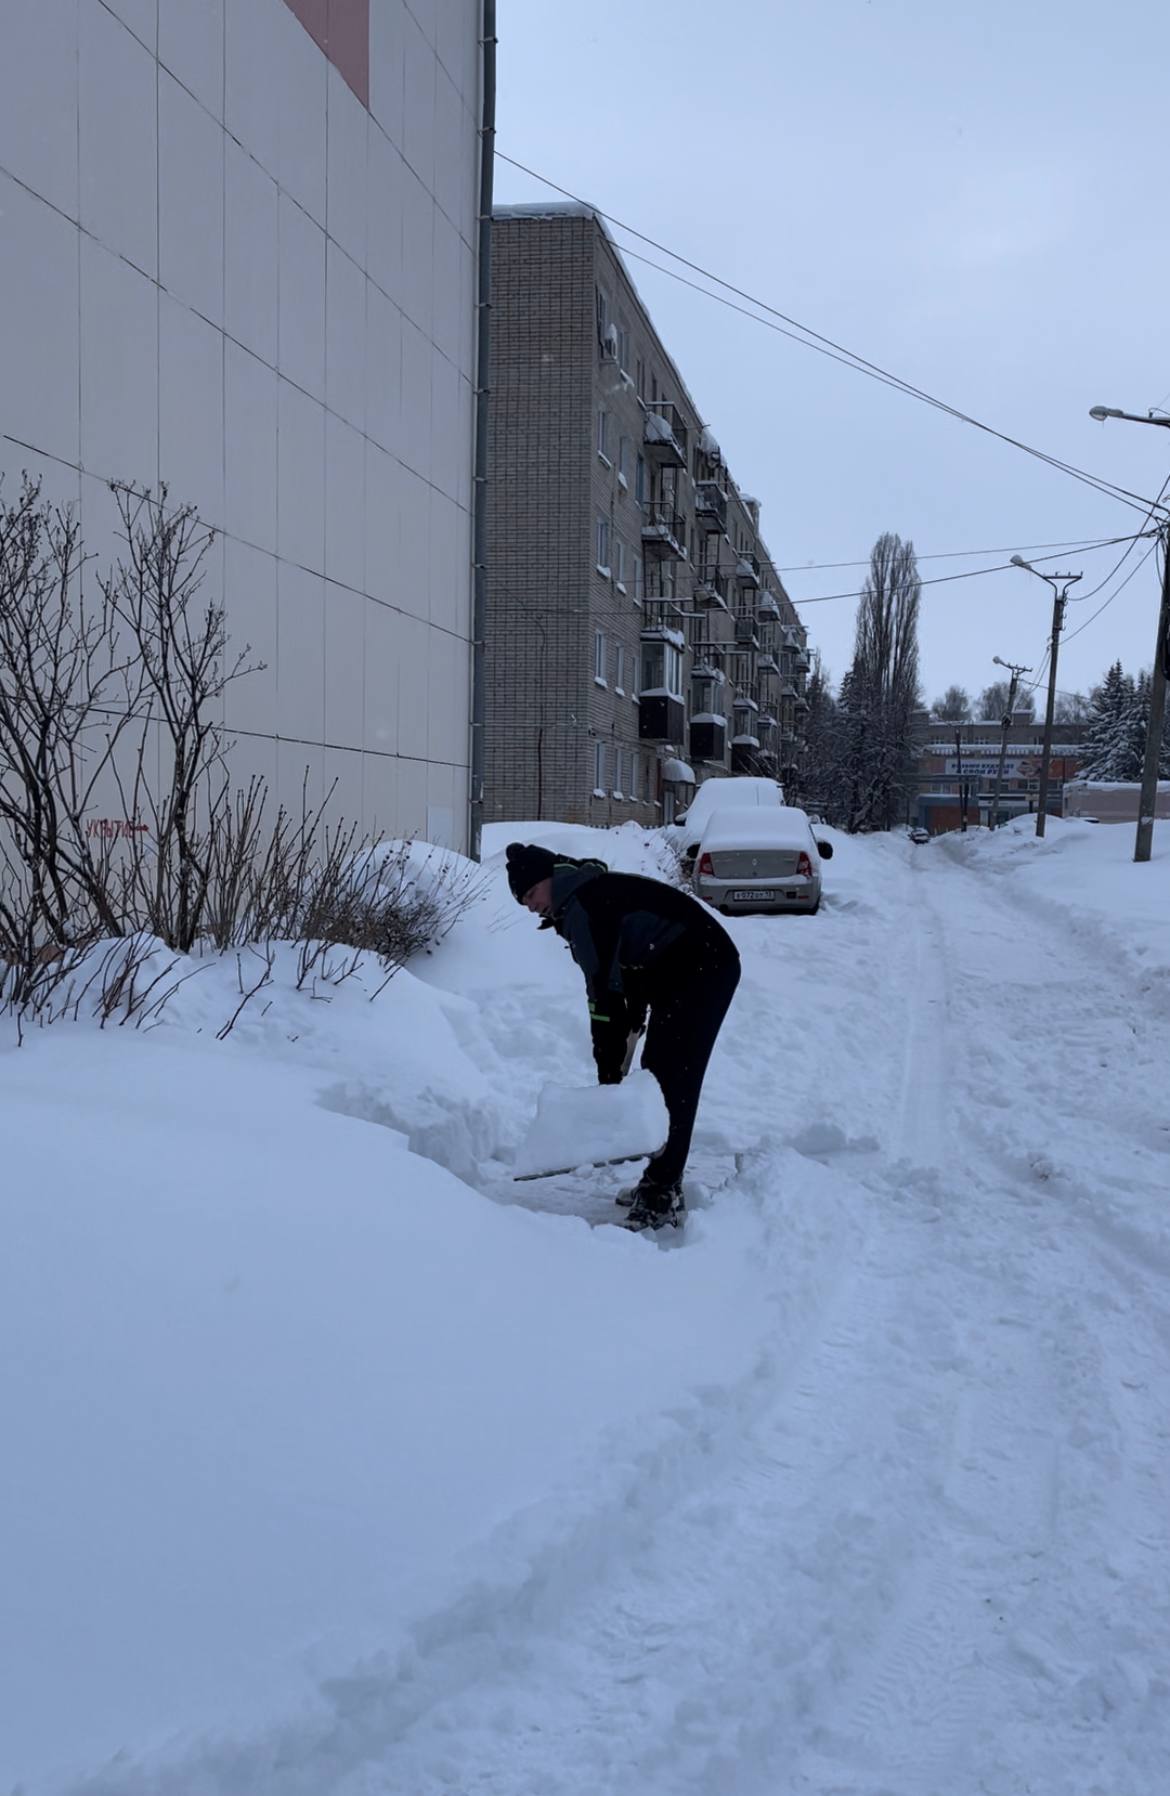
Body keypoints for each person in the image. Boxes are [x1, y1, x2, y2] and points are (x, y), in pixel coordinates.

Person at [505, 842, 740, 1232]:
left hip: (704, 965)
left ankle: (661, 1195)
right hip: (680, 967)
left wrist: (608, 1067)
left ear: (549, 878)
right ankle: (660, 1179)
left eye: (530, 894)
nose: (530, 906)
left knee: (673, 1075)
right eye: (523, 902)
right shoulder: (588, 893)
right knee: (658, 1072)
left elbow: (602, 995)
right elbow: (625, 968)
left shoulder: (584, 905)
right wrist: (630, 1025)